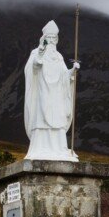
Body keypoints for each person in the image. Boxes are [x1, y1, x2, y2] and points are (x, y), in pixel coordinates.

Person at [24, 20, 80, 161]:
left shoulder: (59, 57)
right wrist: (40, 55)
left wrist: (72, 71)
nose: (52, 41)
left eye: (54, 38)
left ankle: (59, 149)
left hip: (57, 96)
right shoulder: (36, 53)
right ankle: (41, 149)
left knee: (58, 120)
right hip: (43, 94)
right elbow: (32, 69)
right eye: (49, 38)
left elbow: (64, 76)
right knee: (43, 120)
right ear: (44, 39)